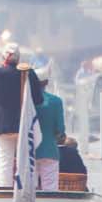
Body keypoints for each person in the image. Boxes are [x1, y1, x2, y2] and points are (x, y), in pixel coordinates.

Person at [0, 45, 27, 187]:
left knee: (4, 157)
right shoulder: (28, 73)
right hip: (24, 122)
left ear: (4, 57)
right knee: (24, 159)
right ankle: (24, 187)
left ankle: (4, 188)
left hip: (2, 122)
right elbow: (38, 99)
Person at [32, 61, 66, 193]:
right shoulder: (56, 101)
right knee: (50, 188)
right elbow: (60, 129)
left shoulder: (26, 101)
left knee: (30, 188)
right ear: (46, 82)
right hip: (50, 149)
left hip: (29, 150)